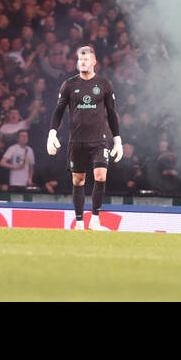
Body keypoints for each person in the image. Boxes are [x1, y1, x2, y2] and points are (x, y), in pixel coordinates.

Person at [47, 45, 122, 230]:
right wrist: (52, 133)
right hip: (77, 141)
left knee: (100, 175)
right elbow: (58, 111)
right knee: (78, 180)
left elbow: (112, 113)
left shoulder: (104, 84)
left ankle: (95, 219)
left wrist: (117, 139)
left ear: (94, 62)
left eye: (86, 59)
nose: (83, 62)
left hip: (99, 140)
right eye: (80, 59)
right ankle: (79, 223)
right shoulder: (69, 85)